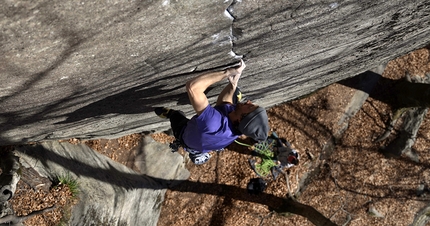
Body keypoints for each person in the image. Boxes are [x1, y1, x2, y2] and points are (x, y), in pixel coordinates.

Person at [154, 60, 269, 164]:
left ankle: (169, 114)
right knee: (233, 96)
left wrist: (227, 73)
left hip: (187, 137)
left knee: (177, 116)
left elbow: (192, 87)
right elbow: (224, 104)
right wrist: (233, 84)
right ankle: (235, 95)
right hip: (210, 139)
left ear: (241, 118)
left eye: (250, 107)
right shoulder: (240, 125)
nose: (249, 101)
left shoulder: (213, 123)